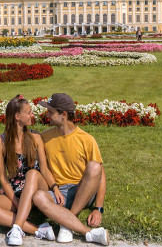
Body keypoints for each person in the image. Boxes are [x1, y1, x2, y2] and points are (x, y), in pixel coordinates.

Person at [0, 95, 64, 246]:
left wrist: (55, 188)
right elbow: (3, 178)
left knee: (32, 173)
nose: (33, 115)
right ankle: (38, 230)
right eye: (29, 112)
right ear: (17, 116)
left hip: (37, 187)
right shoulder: (0, 143)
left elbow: (44, 170)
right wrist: (16, 201)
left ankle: (17, 227)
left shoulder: (35, 137)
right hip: (16, 190)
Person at [32, 93, 109, 246]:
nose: (46, 115)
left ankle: (66, 224)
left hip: (82, 191)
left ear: (64, 115)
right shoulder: (45, 137)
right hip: (58, 193)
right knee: (38, 197)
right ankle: (71, 223)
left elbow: (100, 174)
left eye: (50, 112)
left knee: (94, 166)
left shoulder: (86, 139)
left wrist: (98, 209)